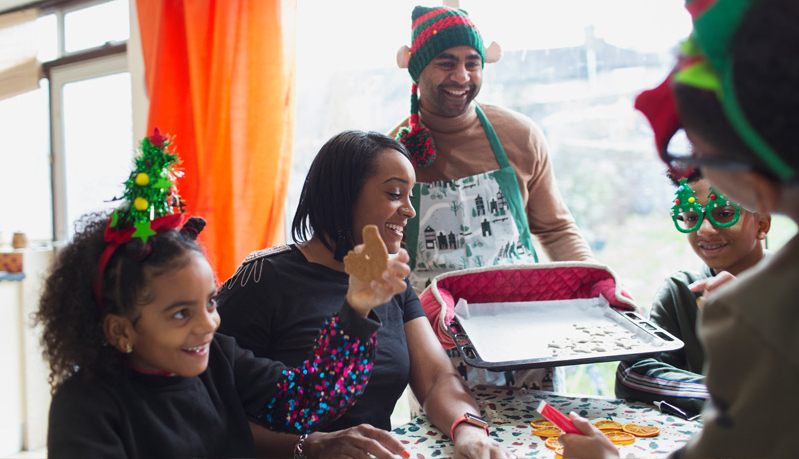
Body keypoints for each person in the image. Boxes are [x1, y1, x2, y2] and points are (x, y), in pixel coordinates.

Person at [36, 130, 407, 459]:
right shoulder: (86, 405)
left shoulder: (218, 359)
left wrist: (355, 309)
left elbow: (311, 400)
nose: (208, 324)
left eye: (210, 302)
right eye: (181, 313)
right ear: (121, 331)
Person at [560, 0, 799, 457]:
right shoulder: (689, 292)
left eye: (698, 151)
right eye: (690, 213)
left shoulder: (760, 314)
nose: (705, 226)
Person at [217, 131, 513, 459]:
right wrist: (308, 445)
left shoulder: (389, 281)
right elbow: (209, 410)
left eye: (410, 196)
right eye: (395, 194)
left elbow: (436, 379)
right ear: (343, 195)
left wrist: (468, 430)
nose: (410, 211)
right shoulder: (264, 278)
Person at [391, 4, 595, 389]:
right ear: (417, 69)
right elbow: (383, 257)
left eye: (473, 63)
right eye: (446, 63)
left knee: (543, 426)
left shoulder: (520, 135)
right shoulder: (391, 154)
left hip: (529, 332)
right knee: (455, 428)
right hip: (438, 342)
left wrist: (596, 285)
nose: (462, 76)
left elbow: (555, 229)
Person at [615, 169, 771, 416]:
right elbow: (633, 374)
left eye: (725, 214)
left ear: (762, 224)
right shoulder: (681, 292)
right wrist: (722, 395)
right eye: (691, 217)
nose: (705, 230)